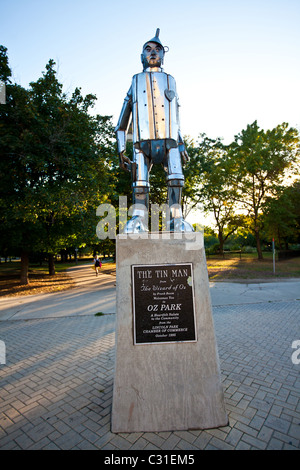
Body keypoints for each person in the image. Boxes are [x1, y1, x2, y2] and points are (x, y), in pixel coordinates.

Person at [115, 28, 194, 233]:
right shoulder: (135, 81)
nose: (153, 52)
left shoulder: (171, 80)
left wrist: (181, 141)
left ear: (163, 55)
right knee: (140, 182)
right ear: (142, 55)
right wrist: (121, 149)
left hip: (170, 141)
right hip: (142, 142)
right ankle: (138, 218)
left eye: (157, 49)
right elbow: (123, 120)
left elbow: (174, 117)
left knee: (176, 178)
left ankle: (175, 218)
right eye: (148, 49)